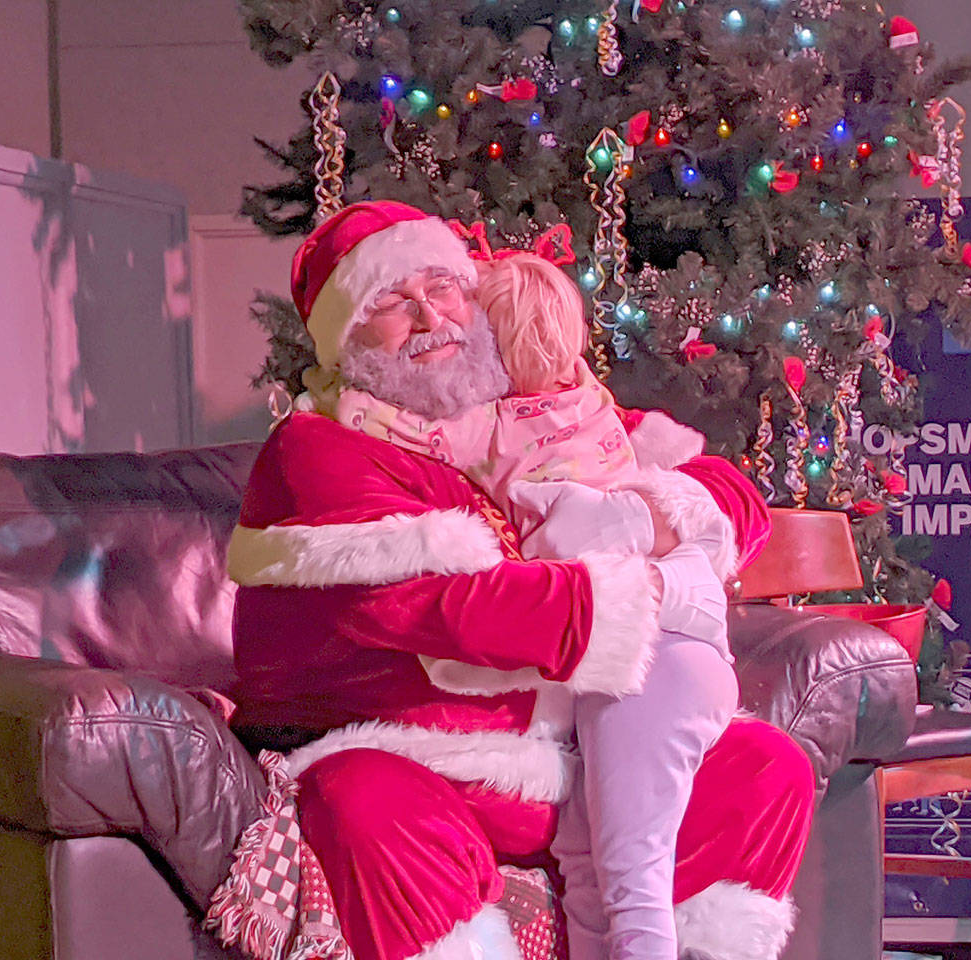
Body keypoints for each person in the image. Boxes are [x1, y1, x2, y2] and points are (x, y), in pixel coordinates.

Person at [227, 200, 815, 960]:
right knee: (364, 801)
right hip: (415, 758)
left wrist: (646, 519)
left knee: (765, 769)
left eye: (442, 287)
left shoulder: (522, 416)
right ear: (346, 342)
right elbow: (434, 607)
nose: (431, 315)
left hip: (560, 765)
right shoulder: (320, 448)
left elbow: (732, 499)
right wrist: (649, 592)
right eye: (391, 304)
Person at [312, 250, 748, 960]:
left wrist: (344, 403)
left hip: (649, 659)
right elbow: (700, 470)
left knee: (629, 880)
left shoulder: (492, 425)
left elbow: (413, 436)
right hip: (681, 643)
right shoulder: (595, 403)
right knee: (589, 857)